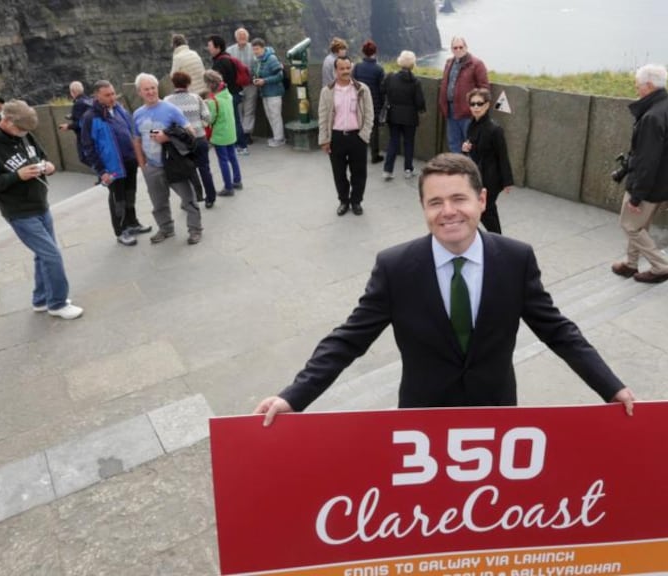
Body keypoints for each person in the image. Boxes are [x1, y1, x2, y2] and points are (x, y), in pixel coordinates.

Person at [254, 153, 635, 424]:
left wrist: (610, 387)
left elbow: (559, 331)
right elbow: (347, 340)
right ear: (423, 208)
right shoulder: (396, 267)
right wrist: (294, 396)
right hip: (423, 421)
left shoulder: (516, 259)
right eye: (435, 202)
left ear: (481, 201)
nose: (448, 211)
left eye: (458, 199)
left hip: (496, 415)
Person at [0, 100, 82, 319]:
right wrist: (17, 176)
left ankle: (41, 300)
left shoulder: (24, 135)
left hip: (40, 203)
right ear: (7, 121)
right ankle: (58, 303)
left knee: (42, 256)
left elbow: (41, 156)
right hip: (19, 212)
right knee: (51, 255)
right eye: (21, 129)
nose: (24, 133)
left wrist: (47, 167)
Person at [611, 64, 668, 284]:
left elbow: (646, 162)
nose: (637, 90)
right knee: (639, 225)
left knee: (630, 226)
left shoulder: (652, 116)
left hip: (648, 186)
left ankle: (661, 267)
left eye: (639, 86)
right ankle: (630, 264)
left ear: (650, 86)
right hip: (663, 183)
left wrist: (636, 195)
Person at [131, 73, 203, 246]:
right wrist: (142, 165)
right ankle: (166, 228)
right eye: (146, 89)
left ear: (158, 88)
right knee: (158, 202)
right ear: (139, 92)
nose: (150, 92)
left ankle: (195, 229)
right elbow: (137, 140)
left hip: (174, 164)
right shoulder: (137, 114)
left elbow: (191, 133)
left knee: (188, 199)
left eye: (153, 88)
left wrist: (168, 136)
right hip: (152, 167)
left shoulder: (171, 109)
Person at [80, 80, 152, 247]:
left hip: (129, 160)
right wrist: (101, 170)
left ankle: (132, 222)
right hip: (111, 167)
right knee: (117, 199)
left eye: (113, 93)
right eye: (107, 95)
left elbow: (136, 130)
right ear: (97, 96)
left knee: (130, 193)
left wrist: (143, 151)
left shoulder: (119, 109)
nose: (112, 97)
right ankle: (121, 231)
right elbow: (88, 147)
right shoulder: (90, 117)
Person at [318, 56, 374, 217]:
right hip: (336, 138)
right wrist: (325, 140)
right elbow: (322, 116)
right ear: (335, 71)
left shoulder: (362, 89)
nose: (345, 71)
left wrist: (364, 135)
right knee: (339, 173)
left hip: (357, 137)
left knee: (359, 172)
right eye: (341, 69)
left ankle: (356, 201)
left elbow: (369, 114)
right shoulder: (327, 91)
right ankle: (343, 201)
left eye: (348, 68)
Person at [462, 88, 512, 234]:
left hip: (491, 178)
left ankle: (497, 239)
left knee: (485, 209)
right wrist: (465, 149)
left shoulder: (495, 130)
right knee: (486, 210)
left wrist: (507, 181)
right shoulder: (471, 125)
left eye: (479, 103)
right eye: (473, 104)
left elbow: (503, 156)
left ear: (487, 105)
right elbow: (472, 150)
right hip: (477, 175)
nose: (476, 107)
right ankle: (496, 238)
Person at [165, 71, 218, 208]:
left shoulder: (167, 101)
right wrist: (201, 125)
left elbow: (165, 122)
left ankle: (190, 200)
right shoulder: (196, 98)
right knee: (204, 168)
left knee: (186, 172)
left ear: (173, 84)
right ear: (188, 83)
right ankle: (210, 198)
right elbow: (207, 118)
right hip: (199, 138)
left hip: (181, 143)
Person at [438, 37, 489, 154]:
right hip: (450, 110)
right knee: (454, 142)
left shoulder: (477, 64)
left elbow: (484, 88)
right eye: (455, 47)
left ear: (466, 47)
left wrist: (477, 108)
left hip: (468, 112)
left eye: (461, 47)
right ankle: (458, 169)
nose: (458, 50)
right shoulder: (449, 63)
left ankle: (470, 171)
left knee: (470, 144)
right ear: (451, 49)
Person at [382, 50, 426, 181]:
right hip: (410, 117)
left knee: (393, 141)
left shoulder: (390, 77)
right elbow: (420, 102)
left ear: (400, 62)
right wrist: (422, 110)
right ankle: (408, 169)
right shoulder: (415, 82)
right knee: (409, 143)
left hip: (393, 115)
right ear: (412, 64)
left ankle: (387, 170)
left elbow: (382, 90)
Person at [207, 34, 250, 155]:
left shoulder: (220, 63)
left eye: (210, 45)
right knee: (235, 120)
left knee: (234, 121)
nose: (208, 48)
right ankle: (239, 145)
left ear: (218, 47)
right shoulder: (227, 58)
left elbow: (219, 83)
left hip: (228, 96)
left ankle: (242, 146)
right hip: (236, 93)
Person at [203, 70, 243, 200]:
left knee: (223, 161)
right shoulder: (228, 95)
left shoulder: (213, 101)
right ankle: (237, 180)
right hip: (231, 132)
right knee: (233, 157)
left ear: (209, 84)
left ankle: (228, 187)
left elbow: (210, 119)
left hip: (220, 135)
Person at [353, 39, 386, 164]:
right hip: (374, 103)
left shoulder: (357, 67)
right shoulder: (379, 69)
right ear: (375, 52)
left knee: (359, 128)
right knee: (373, 131)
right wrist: (383, 104)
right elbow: (382, 89)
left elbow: (354, 84)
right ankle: (374, 155)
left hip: (360, 101)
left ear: (363, 52)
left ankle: (358, 153)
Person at [227, 27, 258, 153]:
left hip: (250, 84)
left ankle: (247, 133)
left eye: (244, 35)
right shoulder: (230, 50)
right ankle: (239, 134)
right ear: (236, 38)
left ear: (248, 37)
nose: (242, 38)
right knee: (238, 110)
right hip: (236, 86)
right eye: (240, 36)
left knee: (249, 109)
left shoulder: (253, 48)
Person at [252, 38, 286, 147]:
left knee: (275, 115)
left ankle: (279, 139)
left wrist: (265, 81)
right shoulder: (258, 60)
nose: (255, 52)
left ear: (263, 48)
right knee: (270, 115)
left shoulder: (271, 58)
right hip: (265, 92)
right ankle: (276, 137)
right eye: (254, 49)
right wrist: (255, 79)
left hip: (274, 92)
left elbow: (280, 76)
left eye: (257, 49)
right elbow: (256, 73)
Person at [57, 81, 92, 167]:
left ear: (72, 92)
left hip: (84, 135)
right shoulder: (89, 100)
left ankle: (103, 173)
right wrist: (72, 116)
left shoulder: (78, 104)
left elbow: (81, 122)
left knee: (84, 157)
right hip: (92, 132)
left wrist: (68, 126)